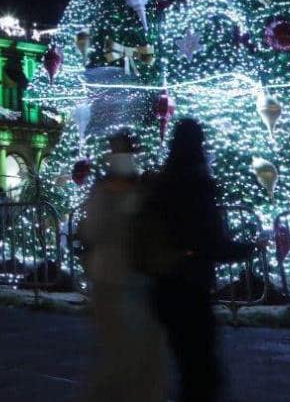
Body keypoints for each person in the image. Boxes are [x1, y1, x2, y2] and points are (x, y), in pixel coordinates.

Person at [140, 118, 246, 402]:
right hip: (191, 283)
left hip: (163, 283)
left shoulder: (161, 184)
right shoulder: (197, 183)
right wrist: (245, 250)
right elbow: (209, 239)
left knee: (187, 363)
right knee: (201, 370)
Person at [79, 138, 166, 401]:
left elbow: (91, 231)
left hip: (112, 275)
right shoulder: (140, 192)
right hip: (133, 275)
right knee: (137, 353)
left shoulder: (104, 192)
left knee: (120, 352)